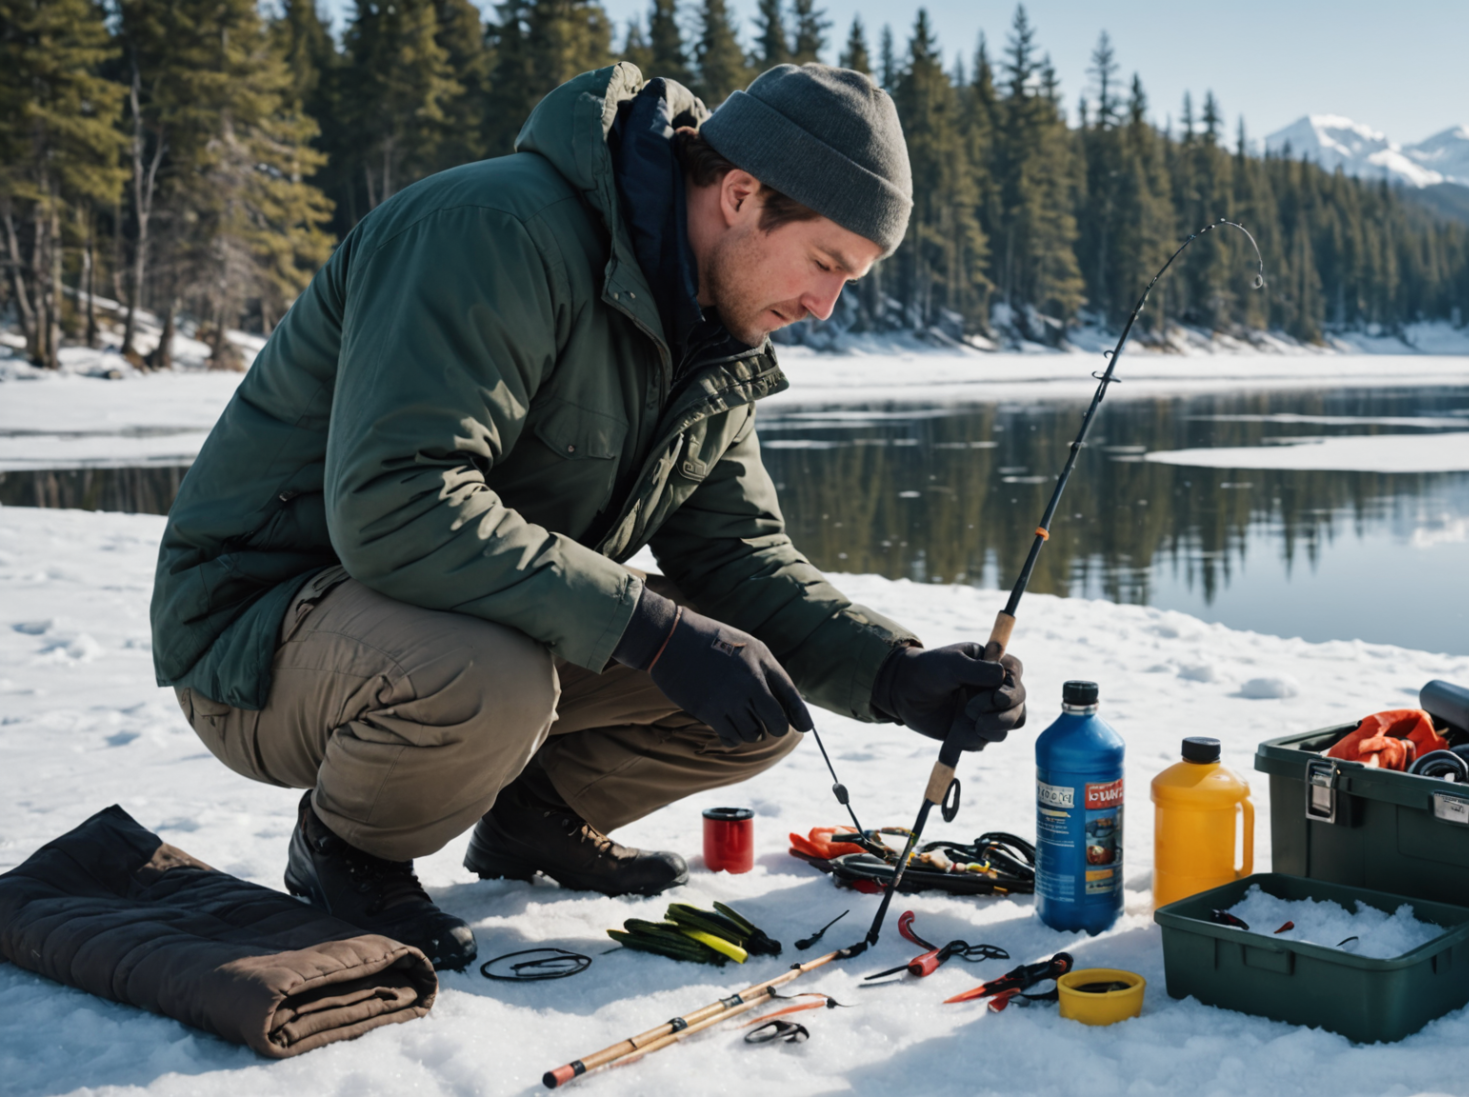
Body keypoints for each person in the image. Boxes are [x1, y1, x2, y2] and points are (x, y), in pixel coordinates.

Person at [148, 63, 1026, 972]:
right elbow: (398, 504)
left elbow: (736, 556)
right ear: (739, 194)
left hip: (453, 617)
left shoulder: (714, 329)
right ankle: (347, 853)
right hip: (258, 634)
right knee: (496, 675)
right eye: (826, 263)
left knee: (761, 693)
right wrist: (649, 629)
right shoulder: (491, 232)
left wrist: (892, 669)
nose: (824, 305)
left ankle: (535, 819)